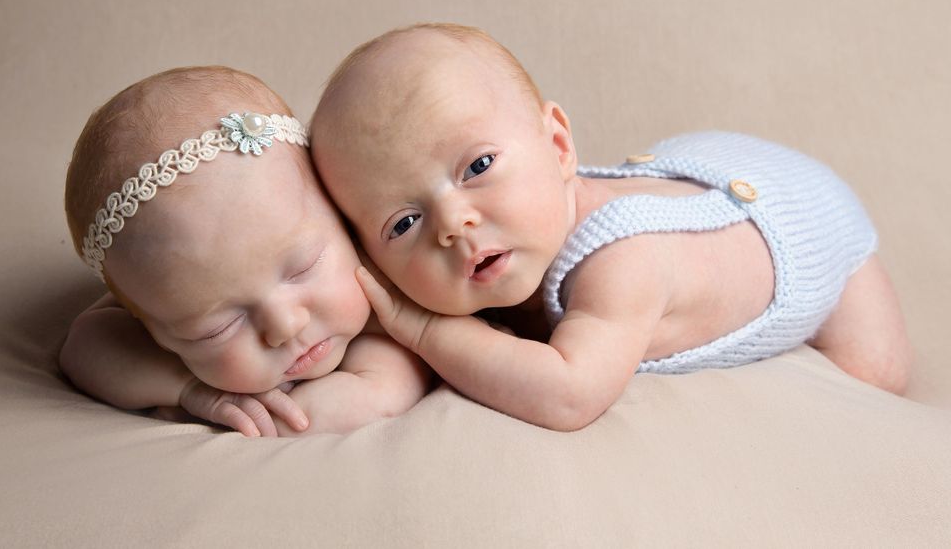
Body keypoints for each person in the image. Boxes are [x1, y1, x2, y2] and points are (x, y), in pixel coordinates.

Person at [310, 22, 912, 432]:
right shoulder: (509, 241)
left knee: (876, 379)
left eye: (478, 166)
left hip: (807, 223)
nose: (452, 223)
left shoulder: (623, 263)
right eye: (404, 222)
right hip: (691, 171)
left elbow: (570, 392)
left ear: (558, 145)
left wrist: (422, 330)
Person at [61, 66, 430, 437]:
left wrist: (305, 411)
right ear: (152, 328)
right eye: (217, 329)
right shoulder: (171, 292)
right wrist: (190, 390)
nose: (284, 327)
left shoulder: (385, 285)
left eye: (302, 268)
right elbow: (83, 346)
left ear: (336, 207)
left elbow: (381, 393)